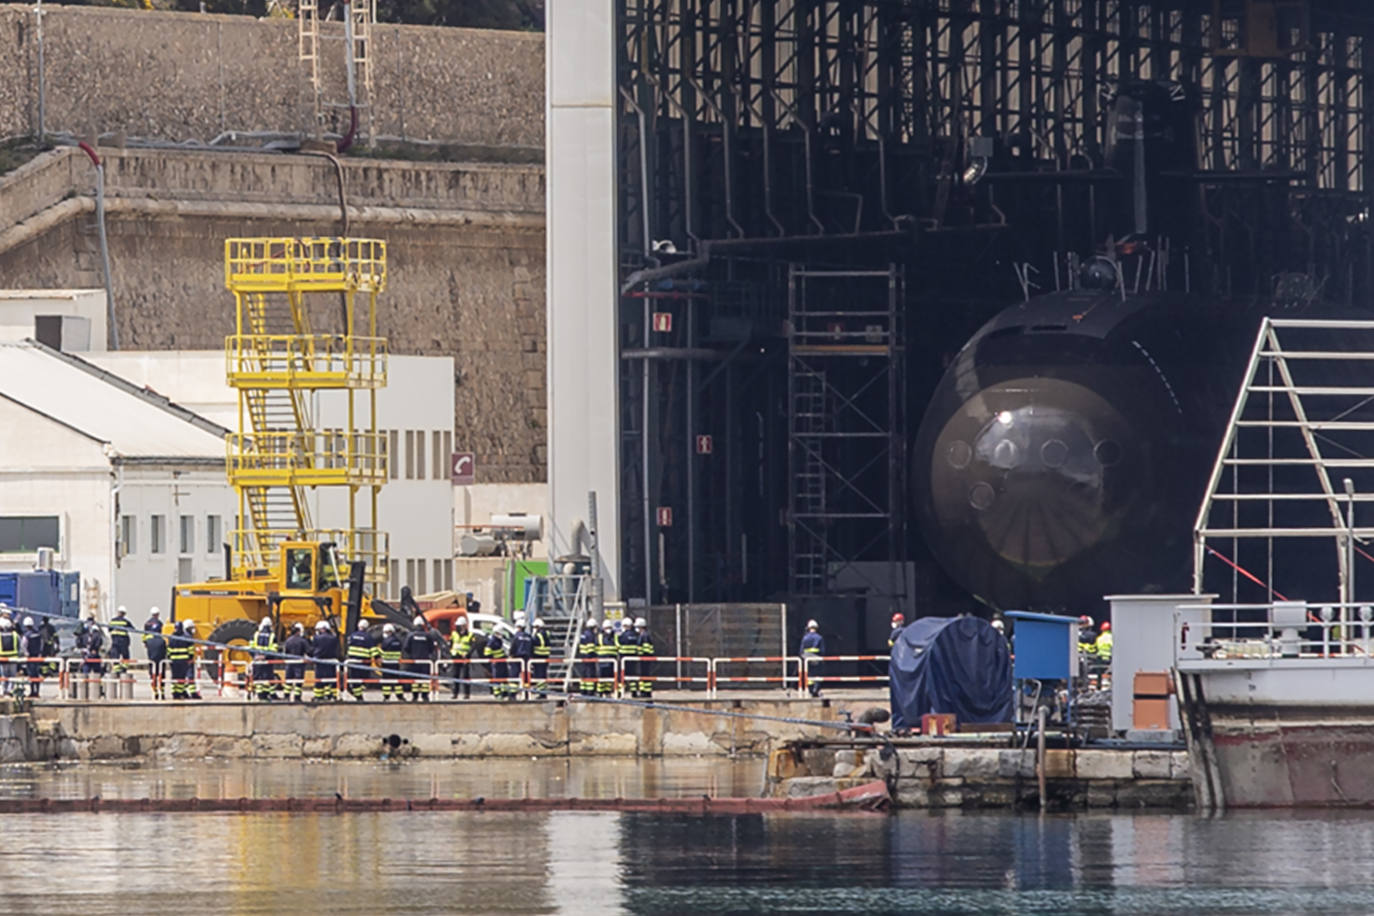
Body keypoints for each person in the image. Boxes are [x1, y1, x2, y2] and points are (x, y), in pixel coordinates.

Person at [402, 616, 437, 701]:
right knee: (424, 680)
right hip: (425, 661)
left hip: (414, 661)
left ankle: (415, 696)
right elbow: (432, 648)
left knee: (415, 680)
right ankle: (425, 696)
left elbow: (406, 647)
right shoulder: (428, 635)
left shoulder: (411, 635)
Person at [345, 619, 379, 701]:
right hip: (363, 662)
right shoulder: (368, 637)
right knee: (363, 679)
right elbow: (373, 649)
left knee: (355, 679)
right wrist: (377, 658)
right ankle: (359, 695)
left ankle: (358, 695)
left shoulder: (353, 635)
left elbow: (348, 647)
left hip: (353, 662)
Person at [310, 620, 340, 702]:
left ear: (322, 629)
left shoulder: (316, 638)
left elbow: (313, 649)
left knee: (319, 680)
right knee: (331, 680)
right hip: (331, 661)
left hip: (320, 662)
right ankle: (333, 696)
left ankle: (318, 697)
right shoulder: (334, 638)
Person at [251, 617, 280, 701]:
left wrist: (255, 656)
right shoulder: (272, 636)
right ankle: (265, 695)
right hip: (267, 660)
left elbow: (250, 647)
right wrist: (266, 656)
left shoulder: (256, 634)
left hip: (257, 660)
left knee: (258, 678)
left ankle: (260, 695)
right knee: (267, 678)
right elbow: (274, 649)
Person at [449, 615, 475, 699]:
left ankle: (466, 694)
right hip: (456, 656)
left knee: (465, 676)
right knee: (455, 675)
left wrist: (467, 654)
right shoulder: (454, 634)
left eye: (460, 625)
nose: (458, 627)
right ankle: (455, 693)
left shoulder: (470, 635)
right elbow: (450, 644)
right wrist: (451, 653)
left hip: (465, 658)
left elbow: (473, 646)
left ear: (464, 625)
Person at [282, 622, 309, 702]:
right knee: (298, 681)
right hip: (299, 663)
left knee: (288, 680)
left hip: (289, 663)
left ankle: (286, 696)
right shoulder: (302, 641)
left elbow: (285, 652)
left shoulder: (288, 641)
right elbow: (308, 651)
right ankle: (297, 697)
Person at [167, 622, 194, 701]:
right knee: (181, 678)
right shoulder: (186, 637)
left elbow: (169, 650)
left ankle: (174, 692)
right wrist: (190, 658)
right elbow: (190, 650)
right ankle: (178, 693)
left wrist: (170, 657)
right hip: (183, 660)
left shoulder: (171, 637)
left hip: (174, 661)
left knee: (174, 677)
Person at [79, 614, 105, 695]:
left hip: (88, 656)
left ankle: (84, 691)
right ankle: (98, 690)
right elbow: (99, 642)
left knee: (87, 673)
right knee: (96, 673)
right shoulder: (95, 633)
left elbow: (79, 642)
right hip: (92, 656)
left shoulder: (84, 633)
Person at [483, 626, 511, 699]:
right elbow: (487, 652)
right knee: (497, 677)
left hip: (502, 661)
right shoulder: (492, 641)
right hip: (496, 662)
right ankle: (497, 693)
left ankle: (504, 692)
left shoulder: (499, 640)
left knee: (504, 676)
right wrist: (492, 659)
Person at [616, 617, 640, 698]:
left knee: (621, 676)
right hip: (633, 658)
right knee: (632, 675)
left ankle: (620, 692)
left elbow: (619, 645)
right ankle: (634, 692)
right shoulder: (636, 635)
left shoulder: (623, 636)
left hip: (623, 658)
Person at [509, 617, 534, 699]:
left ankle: (512, 695)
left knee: (514, 675)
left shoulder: (516, 636)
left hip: (517, 658)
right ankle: (526, 693)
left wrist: (511, 654)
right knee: (526, 676)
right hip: (527, 658)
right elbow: (531, 648)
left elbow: (513, 646)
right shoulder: (529, 637)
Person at [108, 606, 135, 678]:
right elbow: (132, 629)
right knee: (126, 656)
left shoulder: (113, 621)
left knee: (115, 656)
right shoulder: (125, 621)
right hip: (123, 642)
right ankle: (124, 669)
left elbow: (109, 629)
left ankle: (117, 671)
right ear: (124, 614)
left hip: (115, 642)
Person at [379, 623, 403, 700]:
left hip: (386, 663)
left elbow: (383, 652)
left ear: (389, 632)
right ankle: (399, 696)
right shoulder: (398, 641)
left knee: (386, 681)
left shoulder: (386, 641)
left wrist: (378, 653)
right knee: (397, 680)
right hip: (395, 663)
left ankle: (386, 697)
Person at [800, 619, 825, 698]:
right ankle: (816, 689)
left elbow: (801, 650)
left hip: (806, 659)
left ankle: (810, 690)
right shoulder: (819, 638)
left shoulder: (805, 638)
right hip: (816, 658)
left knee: (809, 675)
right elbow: (822, 650)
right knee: (817, 675)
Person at [144, 623, 168, 700]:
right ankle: (163, 693)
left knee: (153, 677)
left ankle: (155, 692)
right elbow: (165, 651)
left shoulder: (149, 641)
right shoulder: (162, 641)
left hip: (152, 661)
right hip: (161, 661)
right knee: (161, 677)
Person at [22, 617, 44, 698]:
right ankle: (37, 692)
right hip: (37, 656)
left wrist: (26, 653)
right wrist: (40, 653)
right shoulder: (38, 633)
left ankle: (32, 692)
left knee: (31, 675)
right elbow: (41, 644)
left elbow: (24, 645)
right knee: (37, 674)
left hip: (30, 657)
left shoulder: (26, 635)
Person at [634, 617, 655, 699]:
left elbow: (646, 648)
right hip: (643, 659)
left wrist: (640, 654)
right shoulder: (643, 635)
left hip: (645, 659)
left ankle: (647, 692)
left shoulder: (645, 636)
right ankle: (643, 691)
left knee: (645, 675)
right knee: (643, 675)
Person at [182, 620, 204, 699]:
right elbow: (190, 649)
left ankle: (184, 692)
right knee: (190, 676)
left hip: (182, 660)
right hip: (188, 659)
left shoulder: (182, 636)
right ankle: (192, 693)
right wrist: (191, 658)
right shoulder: (189, 638)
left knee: (184, 676)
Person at [531, 617, 551, 699]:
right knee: (543, 675)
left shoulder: (538, 635)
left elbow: (535, 644)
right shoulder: (547, 633)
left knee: (539, 676)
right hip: (545, 657)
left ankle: (541, 693)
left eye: (535, 627)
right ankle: (543, 692)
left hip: (538, 657)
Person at [577, 619, 599, 695]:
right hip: (589, 658)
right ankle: (590, 692)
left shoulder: (583, 634)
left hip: (583, 657)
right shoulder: (590, 635)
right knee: (590, 674)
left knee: (583, 674)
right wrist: (595, 656)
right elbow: (590, 648)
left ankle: (583, 691)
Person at [596, 620, 618, 696]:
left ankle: (607, 692)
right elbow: (597, 646)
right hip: (602, 660)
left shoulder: (614, 636)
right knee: (602, 677)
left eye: (609, 627)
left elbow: (617, 646)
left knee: (609, 677)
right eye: (607, 628)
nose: (608, 629)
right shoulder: (600, 636)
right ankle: (600, 692)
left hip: (611, 660)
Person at [0, 616, 19, 697]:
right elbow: (20, 645)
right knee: (12, 676)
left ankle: (3, 691)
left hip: (3, 658)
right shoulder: (15, 635)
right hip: (13, 658)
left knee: (4, 676)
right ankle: (10, 691)